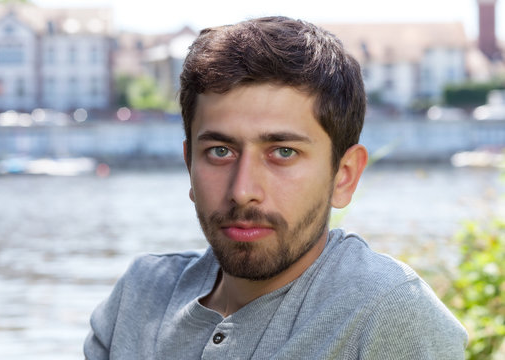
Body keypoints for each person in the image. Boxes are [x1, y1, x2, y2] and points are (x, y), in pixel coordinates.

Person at [84, 16, 467, 359]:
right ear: (189, 165)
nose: (243, 190)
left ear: (344, 175)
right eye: (220, 151)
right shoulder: (139, 296)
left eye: (283, 152)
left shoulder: (388, 313)